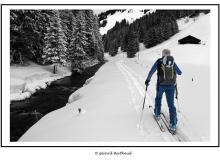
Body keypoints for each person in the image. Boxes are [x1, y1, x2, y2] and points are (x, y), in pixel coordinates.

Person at [145, 49, 182, 132]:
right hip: (171, 86)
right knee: (171, 105)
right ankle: (173, 123)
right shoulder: (172, 62)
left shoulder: (159, 61)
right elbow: (180, 72)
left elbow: (151, 71)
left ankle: (157, 114)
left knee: (158, 98)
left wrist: (147, 80)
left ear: (162, 54)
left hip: (160, 85)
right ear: (169, 54)